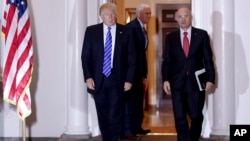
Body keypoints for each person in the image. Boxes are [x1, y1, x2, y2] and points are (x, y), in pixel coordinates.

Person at [81, 2, 136, 141]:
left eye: (113, 14)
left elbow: (132, 59)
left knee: (114, 114)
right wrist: (88, 77)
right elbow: (85, 57)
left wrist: (129, 79)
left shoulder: (126, 32)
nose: (110, 17)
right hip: (98, 80)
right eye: (107, 14)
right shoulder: (91, 31)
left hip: (117, 80)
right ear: (101, 16)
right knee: (103, 114)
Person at [161, 7, 215, 141]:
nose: (183, 19)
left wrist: (210, 79)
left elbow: (208, 59)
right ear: (176, 19)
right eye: (180, 17)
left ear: (191, 17)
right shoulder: (170, 37)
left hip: (197, 83)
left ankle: (193, 138)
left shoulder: (202, 35)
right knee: (179, 116)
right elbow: (166, 60)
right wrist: (166, 79)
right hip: (177, 82)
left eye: (186, 16)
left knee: (196, 115)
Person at [121, 4, 151, 140]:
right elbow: (130, 54)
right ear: (138, 14)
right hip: (131, 73)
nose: (149, 16)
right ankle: (127, 131)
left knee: (139, 102)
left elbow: (142, 54)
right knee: (130, 103)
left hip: (139, 72)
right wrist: (131, 75)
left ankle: (136, 127)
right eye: (147, 13)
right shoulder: (130, 28)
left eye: (150, 13)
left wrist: (144, 74)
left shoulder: (142, 28)